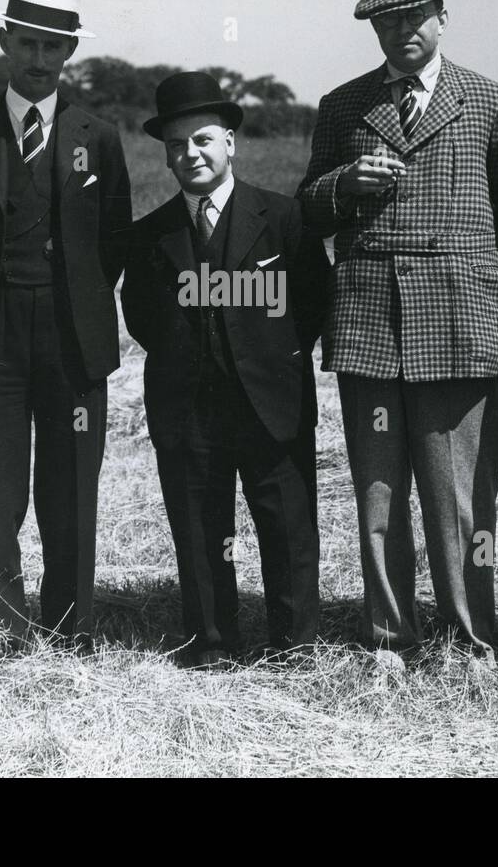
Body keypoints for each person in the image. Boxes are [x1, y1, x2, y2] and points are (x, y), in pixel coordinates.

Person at [296, 0, 498, 667]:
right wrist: (345, 185)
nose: (401, 32)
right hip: (369, 322)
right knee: (378, 496)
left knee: (459, 500)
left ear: (441, 17)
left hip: (458, 323)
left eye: (414, 18)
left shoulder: (490, 102)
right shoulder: (343, 107)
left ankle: (471, 641)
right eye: (386, 22)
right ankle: (389, 640)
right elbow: (305, 205)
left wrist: (461, 266)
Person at [0, 0, 131, 651]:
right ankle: (3, 625)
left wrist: (69, 295)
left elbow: (114, 239)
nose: (40, 59)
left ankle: (73, 625)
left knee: (71, 484)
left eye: (53, 47)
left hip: (74, 334)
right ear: (4, 42)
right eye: (28, 43)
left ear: (70, 51)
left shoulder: (96, 137)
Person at [122, 72, 329, 669]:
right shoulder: (152, 233)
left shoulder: (283, 218)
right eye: (177, 145)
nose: (191, 154)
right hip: (187, 404)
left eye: (204, 140)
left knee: (287, 524)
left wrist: (269, 358)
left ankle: (296, 641)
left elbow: (311, 300)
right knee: (199, 524)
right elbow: (141, 315)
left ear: (231, 142)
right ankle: (211, 640)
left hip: (272, 399)